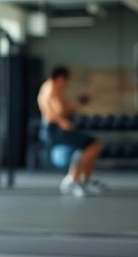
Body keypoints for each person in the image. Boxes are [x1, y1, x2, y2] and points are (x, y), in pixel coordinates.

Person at [37, 65, 105, 196]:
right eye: (66, 80)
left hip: (54, 128)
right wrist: (62, 122)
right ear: (60, 78)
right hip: (53, 129)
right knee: (93, 145)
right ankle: (73, 179)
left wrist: (79, 102)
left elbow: (63, 109)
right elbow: (51, 113)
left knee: (89, 146)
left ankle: (81, 179)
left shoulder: (51, 88)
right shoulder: (51, 89)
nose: (67, 83)